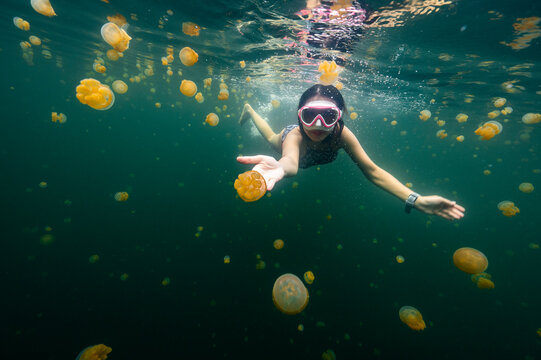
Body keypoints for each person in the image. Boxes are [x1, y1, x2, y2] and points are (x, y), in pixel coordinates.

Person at [237, 84, 465, 220]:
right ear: (299, 116)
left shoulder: (342, 134)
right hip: (287, 141)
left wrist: (418, 201)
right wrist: (280, 167)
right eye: (310, 116)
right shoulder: (296, 135)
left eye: (327, 117)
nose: (317, 125)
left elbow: (372, 171)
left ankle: (252, 110)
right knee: (270, 138)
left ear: (339, 118)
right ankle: (250, 110)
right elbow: (290, 162)